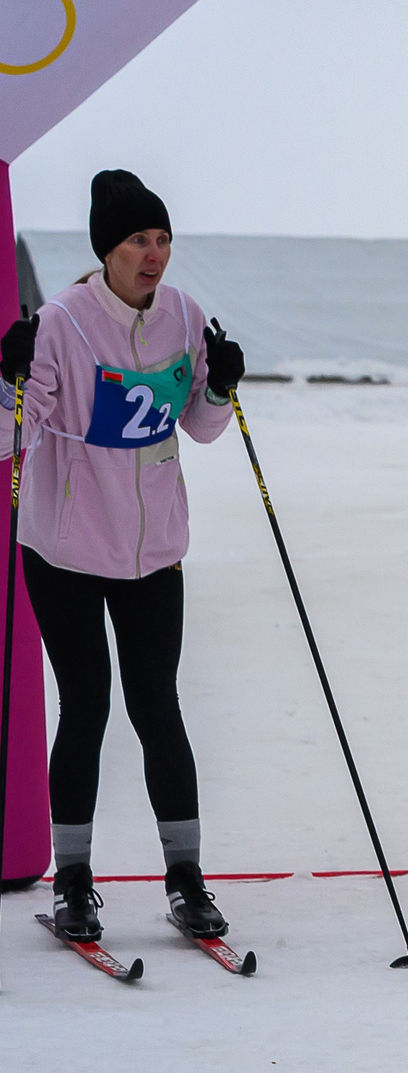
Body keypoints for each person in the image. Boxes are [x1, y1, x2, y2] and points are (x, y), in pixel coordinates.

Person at [0, 170, 245, 945]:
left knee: (158, 707)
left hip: (153, 552)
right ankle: (74, 883)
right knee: (88, 705)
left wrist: (222, 387)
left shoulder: (182, 314)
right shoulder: (65, 322)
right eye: (139, 239)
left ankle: (187, 881)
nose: (155, 254)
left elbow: (201, 427)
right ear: (107, 247)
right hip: (67, 547)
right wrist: (6, 377)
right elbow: (9, 436)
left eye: (163, 238)